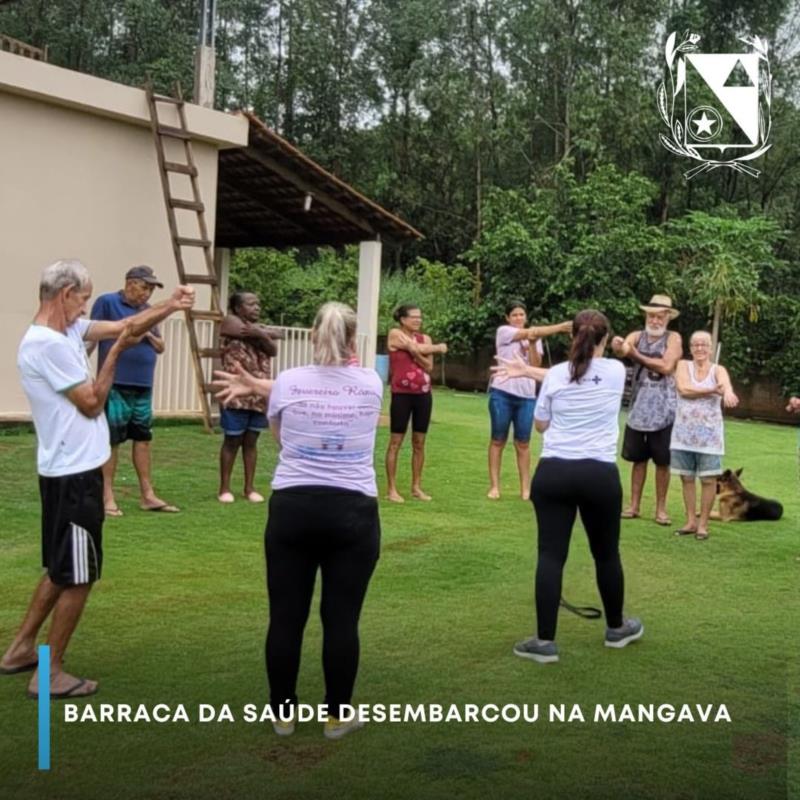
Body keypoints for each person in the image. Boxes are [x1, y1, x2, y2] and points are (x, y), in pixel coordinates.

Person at [0, 259, 193, 697]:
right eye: (84, 298)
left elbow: (125, 325)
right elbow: (91, 401)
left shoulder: (66, 330)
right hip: (75, 476)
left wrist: (170, 305)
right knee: (80, 575)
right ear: (66, 292)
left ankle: (19, 650)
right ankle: (50, 673)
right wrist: (118, 354)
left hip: (63, 471)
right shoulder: (46, 344)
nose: (88, 307)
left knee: (59, 568)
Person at [213, 302, 382, 740]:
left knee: (286, 617)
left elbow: (282, 432)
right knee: (341, 619)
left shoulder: (288, 382)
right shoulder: (371, 382)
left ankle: (283, 715)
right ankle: (337, 716)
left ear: (311, 335)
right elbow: (331, 385)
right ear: (351, 340)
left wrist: (257, 383)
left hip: (293, 507)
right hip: (353, 511)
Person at [508, 309, 643, 664]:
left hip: (554, 473)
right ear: (603, 339)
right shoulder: (615, 371)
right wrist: (618, 343)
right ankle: (617, 628)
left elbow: (540, 425)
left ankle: (544, 641)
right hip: (598, 474)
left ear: (572, 337)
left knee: (551, 556)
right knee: (606, 554)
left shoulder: (554, 375)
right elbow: (622, 351)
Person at [90, 265, 178, 515]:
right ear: (130, 282)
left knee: (143, 439)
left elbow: (160, 346)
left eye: (151, 289)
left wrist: (147, 334)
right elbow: (92, 336)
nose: (148, 293)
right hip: (115, 383)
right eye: (145, 286)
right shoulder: (107, 302)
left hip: (143, 384)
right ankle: (107, 496)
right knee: (112, 440)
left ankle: (147, 495)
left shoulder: (148, 312)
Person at [487, 300, 572, 500]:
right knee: (498, 439)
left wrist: (534, 342)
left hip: (526, 395)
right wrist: (559, 327)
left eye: (521, 315)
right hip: (502, 392)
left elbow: (535, 364)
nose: (518, 318)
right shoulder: (504, 332)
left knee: (523, 443)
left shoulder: (535, 337)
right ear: (507, 318)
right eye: (514, 315)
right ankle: (494, 487)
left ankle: (525, 488)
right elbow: (527, 333)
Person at [611, 294, 682, 526]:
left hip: (665, 411)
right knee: (638, 461)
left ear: (668, 318)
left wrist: (633, 354)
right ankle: (634, 506)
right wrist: (618, 345)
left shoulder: (674, 339)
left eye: (660, 316)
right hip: (637, 410)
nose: (655, 320)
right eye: (651, 315)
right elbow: (622, 349)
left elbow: (666, 366)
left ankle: (661, 510)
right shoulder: (636, 335)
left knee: (663, 462)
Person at [671, 331, 739, 540]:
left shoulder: (719, 370)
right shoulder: (683, 365)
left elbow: (726, 386)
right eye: (695, 345)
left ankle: (703, 525)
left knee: (709, 480)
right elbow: (683, 389)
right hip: (683, 434)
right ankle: (691, 521)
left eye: (704, 345)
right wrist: (712, 390)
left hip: (709, 436)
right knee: (687, 477)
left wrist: (727, 393)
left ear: (710, 348)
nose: (699, 348)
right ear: (690, 348)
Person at [217, 291, 281, 504]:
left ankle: (249, 488)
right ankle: (224, 488)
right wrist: (264, 332)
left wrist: (262, 334)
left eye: (258, 304)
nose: (257, 307)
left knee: (251, 441)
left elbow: (273, 350)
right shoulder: (230, 321)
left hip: (257, 394)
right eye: (250, 304)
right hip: (235, 393)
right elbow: (234, 329)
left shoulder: (257, 331)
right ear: (237, 308)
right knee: (232, 439)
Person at [385, 304, 447, 502]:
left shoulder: (424, 338)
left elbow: (428, 366)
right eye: (414, 317)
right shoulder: (395, 333)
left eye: (420, 317)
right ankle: (392, 489)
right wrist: (437, 348)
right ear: (403, 319)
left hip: (423, 395)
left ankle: (416, 487)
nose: (418, 320)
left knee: (419, 442)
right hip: (401, 394)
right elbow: (417, 349)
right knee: (396, 442)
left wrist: (415, 351)